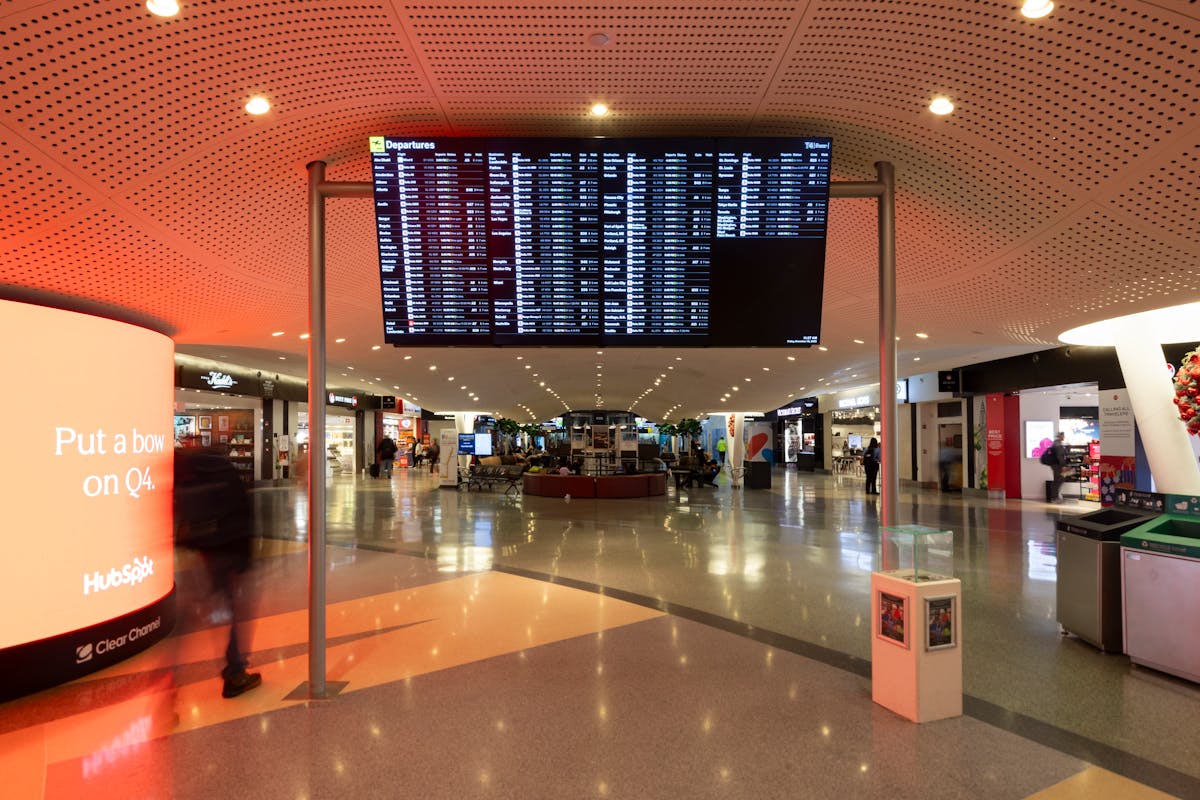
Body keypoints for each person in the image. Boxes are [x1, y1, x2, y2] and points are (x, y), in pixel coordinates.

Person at [174, 446, 261, 699]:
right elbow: (243, 513)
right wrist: (246, 558)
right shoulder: (224, 471)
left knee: (187, 619)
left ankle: (168, 684)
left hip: (200, 554)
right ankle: (235, 672)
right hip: (228, 552)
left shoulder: (188, 476)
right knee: (237, 611)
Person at [1048, 431, 1068, 502]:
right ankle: (1054, 497)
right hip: (1057, 465)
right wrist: (1063, 465)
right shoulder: (1057, 444)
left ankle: (1055, 496)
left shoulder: (1057, 443)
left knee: (1059, 479)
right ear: (1060, 436)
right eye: (1063, 435)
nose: (1064, 437)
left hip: (1056, 465)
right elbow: (1059, 456)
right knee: (1058, 480)